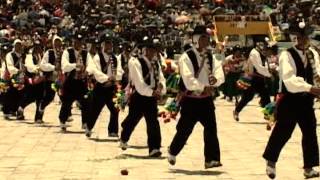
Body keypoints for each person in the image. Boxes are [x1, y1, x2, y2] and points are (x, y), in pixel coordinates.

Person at [262, 13, 320, 179]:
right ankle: (271, 161)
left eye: (303, 37)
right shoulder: (286, 55)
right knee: (283, 131)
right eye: (298, 37)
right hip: (290, 100)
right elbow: (289, 80)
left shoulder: (313, 54)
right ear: (294, 38)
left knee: (310, 132)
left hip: (306, 101)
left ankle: (309, 167)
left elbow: (317, 73)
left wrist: (318, 87)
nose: (301, 40)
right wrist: (311, 88)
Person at [167, 25, 225, 168]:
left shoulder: (211, 56)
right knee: (185, 130)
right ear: (195, 39)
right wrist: (202, 87)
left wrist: (216, 81)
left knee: (211, 128)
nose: (206, 41)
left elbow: (219, 71)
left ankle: (211, 159)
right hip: (191, 101)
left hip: (206, 100)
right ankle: (173, 151)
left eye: (207, 38)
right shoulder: (187, 56)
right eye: (203, 38)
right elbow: (188, 79)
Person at [120, 36, 166, 157]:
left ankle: (154, 148)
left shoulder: (156, 63)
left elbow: (161, 78)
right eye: (149, 49)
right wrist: (153, 92)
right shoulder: (134, 62)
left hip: (151, 97)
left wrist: (161, 87)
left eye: (154, 49)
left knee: (153, 122)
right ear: (143, 49)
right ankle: (124, 137)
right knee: (133, 119)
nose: (152, 52)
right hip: (139, 96)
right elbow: (139, 83)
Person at [85, 32, 123, 137]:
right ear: (102, 45)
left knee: (115, 109)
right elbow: (96, 72)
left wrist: (115, 77)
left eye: (110, 44)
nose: (109, 46)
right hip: (100, 88)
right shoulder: (97, 58)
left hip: (111, 88)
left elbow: (119, 71)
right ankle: (89, 127)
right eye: (106, 44)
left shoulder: (115, 58)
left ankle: (113, 130)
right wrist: (107, 78)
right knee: (95, 110)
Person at [233, 38, 272, 121]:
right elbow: (258, 67)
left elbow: (264, 65)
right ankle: (236, 111)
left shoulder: (261, 53)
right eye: (262, 44)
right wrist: (269, 74)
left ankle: (267, 114)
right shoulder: (254, 53)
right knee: (247, 97)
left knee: (266, 96)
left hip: (260, 79)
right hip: (253, 79)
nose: (264, 46)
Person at [58, 33, 90, 132]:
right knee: (66, 102)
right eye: (76, 42)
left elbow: (90, 65)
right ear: (73, 42)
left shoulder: (85, 53)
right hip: (70, 81)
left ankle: (85, 122)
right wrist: (75, 65)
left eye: (80, 42)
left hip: (82, 81)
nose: (78, 44)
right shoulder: (67, 52)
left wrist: (87, 70)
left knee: (86, 102)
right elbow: (64, 66)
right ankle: (62, 121)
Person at [2, 39, 25, 120]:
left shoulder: (22, 55)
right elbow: (10, 65)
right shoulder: (10, 55)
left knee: (19, 94)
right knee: (9, 94)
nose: (18, 46)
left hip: (19, 77)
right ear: (14, 46)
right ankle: (6, 112)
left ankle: (14, 110)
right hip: (10, 77)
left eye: (20, 45)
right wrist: (17, 71)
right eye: (17, 45)